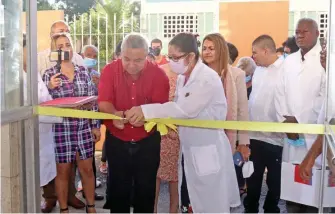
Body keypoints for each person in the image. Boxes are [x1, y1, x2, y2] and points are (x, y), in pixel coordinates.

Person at [125, 32, 240, 213]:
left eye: (175, 57)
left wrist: (145, 110)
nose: (171, 61)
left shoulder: (206, 78)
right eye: (169, 57)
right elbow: (176, 108)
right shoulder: (183, 77)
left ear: (191, 56)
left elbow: (184, 110)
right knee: (195, 201)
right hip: (190, 148)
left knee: (213, 204)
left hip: (207, 148)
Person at [98, 33, 169, 213]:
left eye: (138, 60)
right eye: (126, 59)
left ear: (147, 55)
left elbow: (161, 108)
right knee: (118, 193)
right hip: (117, 140)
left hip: (148, 142)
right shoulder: (108, 71)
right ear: (120, 54)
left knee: (145, 194)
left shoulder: (159, 75)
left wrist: (146, 116)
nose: (131, 65)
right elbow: (103, 102)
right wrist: (115, 115)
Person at [42, 33, 100, 213]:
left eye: (68, 44)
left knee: (87, 170)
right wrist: (50, 87)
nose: (65, 48)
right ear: (54, 51)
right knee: (63, 172)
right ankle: (64, 209)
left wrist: (95, 125)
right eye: (60, 46)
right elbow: (42, 103)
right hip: (61, 129)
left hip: (83, 127)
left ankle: (91, 207)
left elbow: (93, 100)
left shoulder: (83, 71)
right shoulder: (49, 75)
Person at [275, 18, 326, 213]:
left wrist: (303, 122)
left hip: (314, 135)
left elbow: (326, 96)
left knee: (313, 192)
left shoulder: (324, 60)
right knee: (293, 191)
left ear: (316, 34)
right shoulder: (288, 61)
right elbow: (279, 92)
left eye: (305, 31)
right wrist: (285, 119)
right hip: (291, 135)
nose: (300, 35)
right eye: (297, 31)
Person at [39, 21, 85, 213]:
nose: (63, 35)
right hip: (51, 121)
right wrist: (49, 85)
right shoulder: (40, 57)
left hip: (74, 122)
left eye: (66, 32)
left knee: (70, 162)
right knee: (50, 161)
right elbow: (38, 86)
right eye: (58, 33)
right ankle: (50, 198)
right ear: (51, 36)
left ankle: (69, 195)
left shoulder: (78, 58)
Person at [244, 35, 285, 213]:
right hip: (254, 136)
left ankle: (271, 209)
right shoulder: (258, 70)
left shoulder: (286, 69)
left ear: (266, 51)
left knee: (275, 182)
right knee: (252, 180)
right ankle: (250, 209)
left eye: (255, 53)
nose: (253, 57)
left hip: (276, 139)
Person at [22, 33, 62, 212]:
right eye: (28, 48)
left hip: (43, 131)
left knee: (38, 176)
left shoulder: (32, 72)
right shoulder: (8, 73)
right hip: (23, 135)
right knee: (24, 181)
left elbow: (44, 99)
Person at [202, 33, 250, 156]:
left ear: (221, 50)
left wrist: (243, 143)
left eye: (211, 49)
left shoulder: (236, 74)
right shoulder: (197, 74)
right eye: (204, 48)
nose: (207, 52)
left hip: (225, 134)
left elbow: (242, 110)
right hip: (201, 134)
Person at [75, 44, 104, 201]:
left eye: (94, 57)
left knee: (89, 160)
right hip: (73, 125)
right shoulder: (74, 72)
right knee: (70, 164)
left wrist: (99, 84)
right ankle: (70, 195)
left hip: (90, 125)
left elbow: (100, 99)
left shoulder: (96, 74)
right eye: (88, 55)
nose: (91, 59)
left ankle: (89, 193)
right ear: (81, 55)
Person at [153, 57, 180, 213]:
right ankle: (153, 210)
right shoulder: (160, 71)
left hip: (181, 131)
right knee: (155, 173)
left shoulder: (189, 74)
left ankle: (173, 211)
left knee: (176, 176)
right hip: (159, 131)